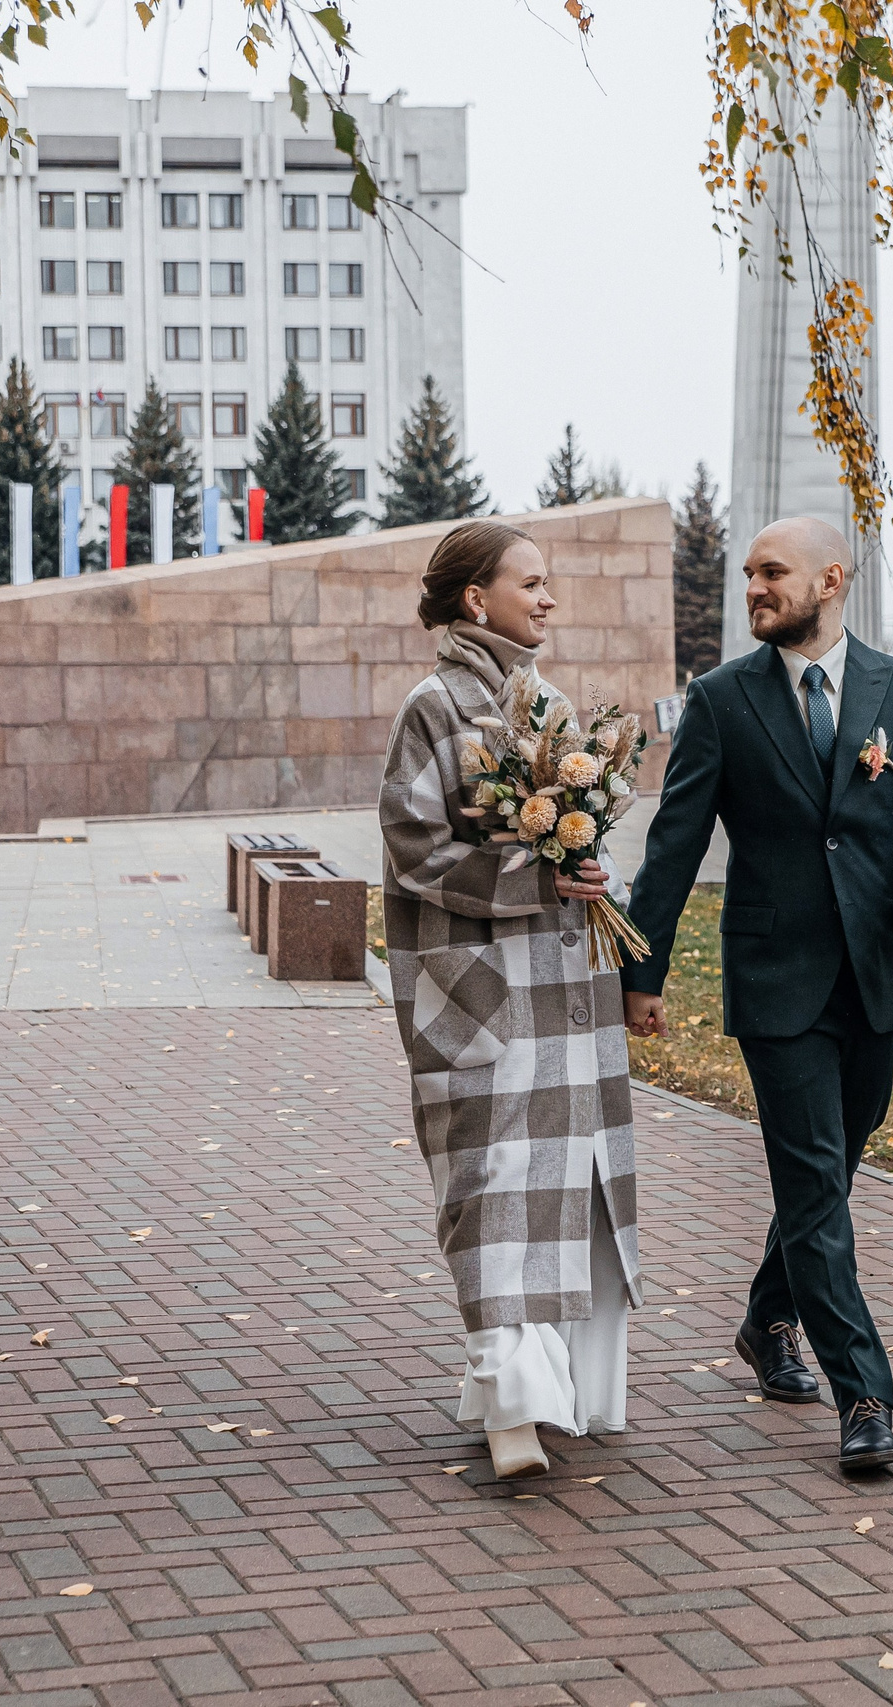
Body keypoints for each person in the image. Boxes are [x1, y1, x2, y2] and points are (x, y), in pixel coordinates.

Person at [620, 516, 893, 1474]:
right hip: (775, 983)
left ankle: (767, 1317)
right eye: (747, 575)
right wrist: (642, 973)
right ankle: (865, 1394)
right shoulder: (723, 700)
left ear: (830, 579)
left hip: (876, 978)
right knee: (815, 1181)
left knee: (834, 1167)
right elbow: (676, 845)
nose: (754, 590)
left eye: (772, 573)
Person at [380, 520, 645, 1481]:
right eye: (529, 582)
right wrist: (536, 875)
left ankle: (562, 1395)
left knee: (570, 1191)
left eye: (550, 582)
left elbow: (571, 841)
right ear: (472, 599)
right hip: (484, 1002)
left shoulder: (548, 701)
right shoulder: (434, 706)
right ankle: (508, 1413)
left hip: (566, 995)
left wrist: (584, 867)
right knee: (493, 1197)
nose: (547, 598)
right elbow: (414, 851)